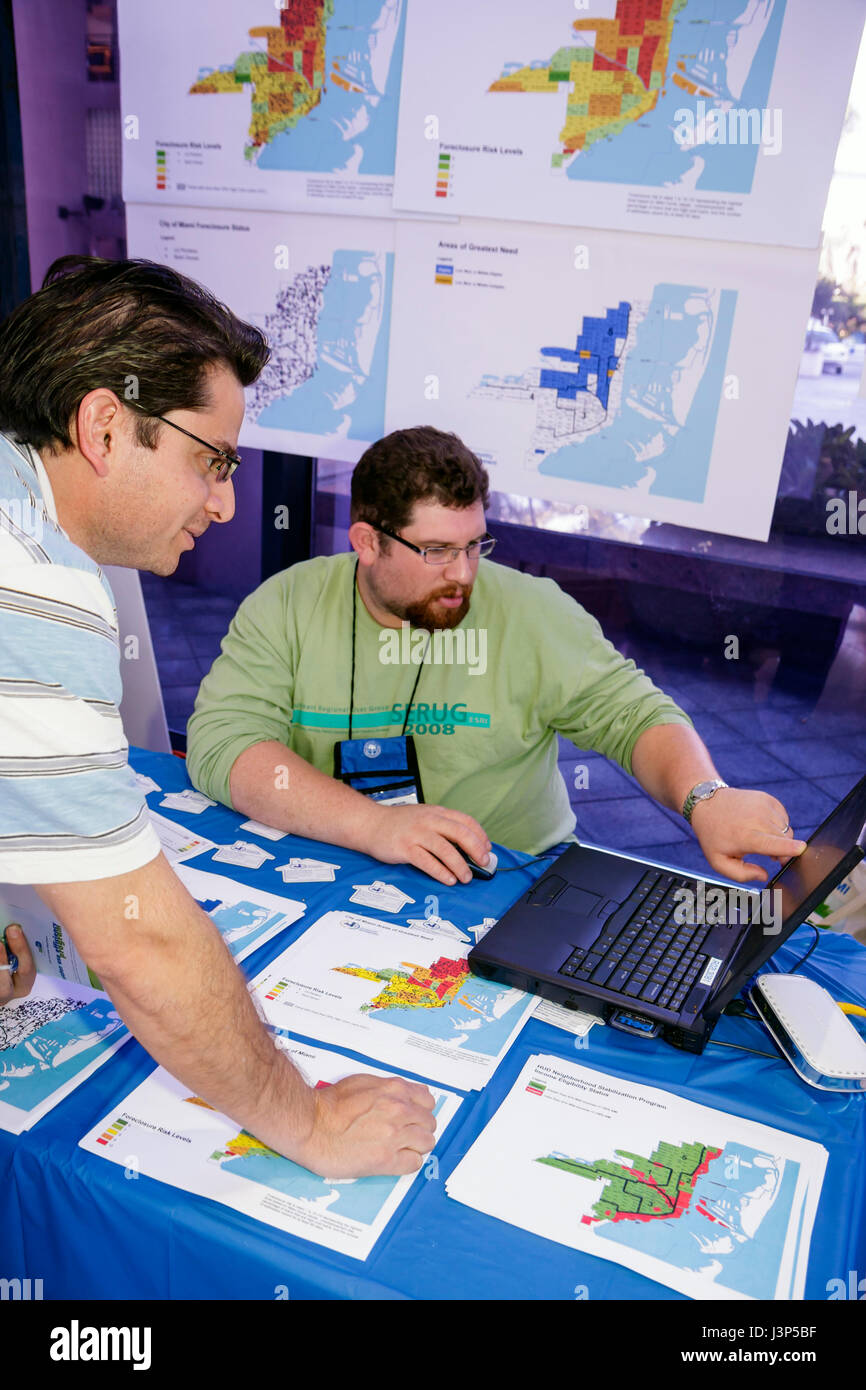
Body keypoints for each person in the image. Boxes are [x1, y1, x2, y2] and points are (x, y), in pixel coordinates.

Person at [0, 257, 435, 1173]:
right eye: (212, 461)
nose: (227, 500)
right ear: (106, 426)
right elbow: (142, 941)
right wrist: (309, 1123)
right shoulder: (30, 580)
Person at [187, 426, 804, 887]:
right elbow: (223, 743)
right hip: (334, 854)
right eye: (435, 551)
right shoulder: (287, 604)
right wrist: (371, 825)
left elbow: (637, 716)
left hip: (509, 877)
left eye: (474, 545)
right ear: (366, 543)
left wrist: (706, 796)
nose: (462, 574)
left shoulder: (532, 610)